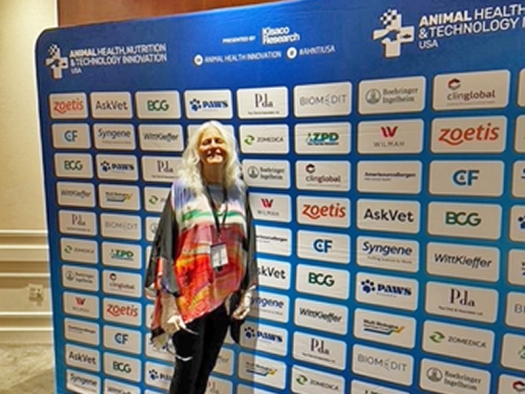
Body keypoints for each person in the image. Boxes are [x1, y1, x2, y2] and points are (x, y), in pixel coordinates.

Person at [144, 120, 257, 394]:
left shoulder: (239, 190)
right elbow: (165, 243)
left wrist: (247, 290)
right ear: (196, 150)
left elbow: (248, 242)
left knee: (205, 369)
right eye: (206, 142)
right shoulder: (183, 189)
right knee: (186, 374)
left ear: (229, 149)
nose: (213, 147)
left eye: (218, 141)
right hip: (188, 297)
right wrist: (168, 302)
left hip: (223, 298)